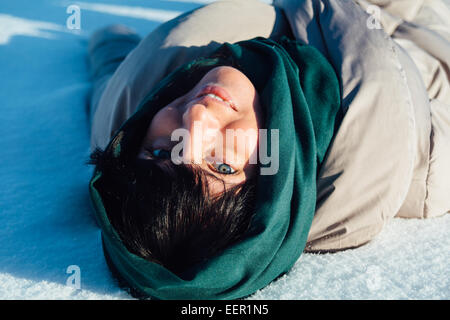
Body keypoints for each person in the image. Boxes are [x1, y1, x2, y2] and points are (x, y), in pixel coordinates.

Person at [87, 0, 450, 299]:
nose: (195, 118)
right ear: (275, 190)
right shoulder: (427, 164)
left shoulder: (132, 103)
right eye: (222, 166)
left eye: (161, 152)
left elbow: (112, 76)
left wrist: (107, 41)